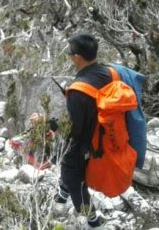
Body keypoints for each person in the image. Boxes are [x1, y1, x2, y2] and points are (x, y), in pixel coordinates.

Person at [54, 33, 106, 228]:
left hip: (84, 145)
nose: (68, 56)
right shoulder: (106, 72)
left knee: (72, 175)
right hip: (101, 136)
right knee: (70, 173)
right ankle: (62, 194)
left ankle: (93, 221)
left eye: (69, 52)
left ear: (77, 57)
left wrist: (53, 126)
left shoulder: (78, 90)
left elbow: (74, 130)